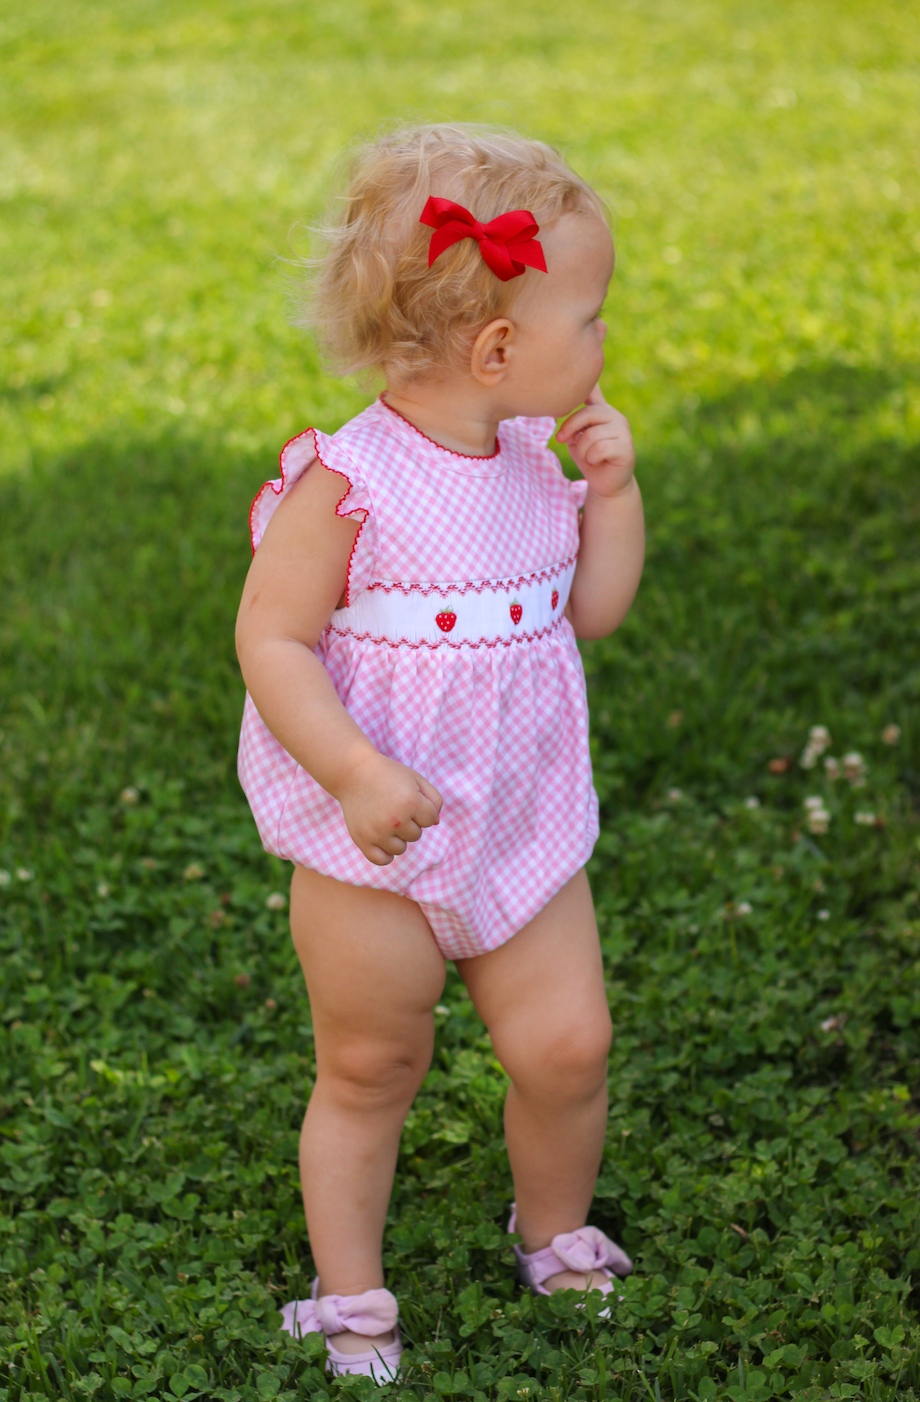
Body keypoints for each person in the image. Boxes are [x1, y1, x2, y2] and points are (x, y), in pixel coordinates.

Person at [235, 123, 644, 1382]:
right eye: (588, 318)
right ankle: (351, 1291)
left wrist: (615, 501)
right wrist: (356, 775)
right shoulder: (344, 482)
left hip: (517, 821)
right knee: (370, 1061)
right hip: (374, 840)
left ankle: (554, 1223)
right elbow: (271, 638)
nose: (601, 345)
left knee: (568, 1045)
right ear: (496, 349)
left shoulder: (536, 462)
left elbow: (586, 614)